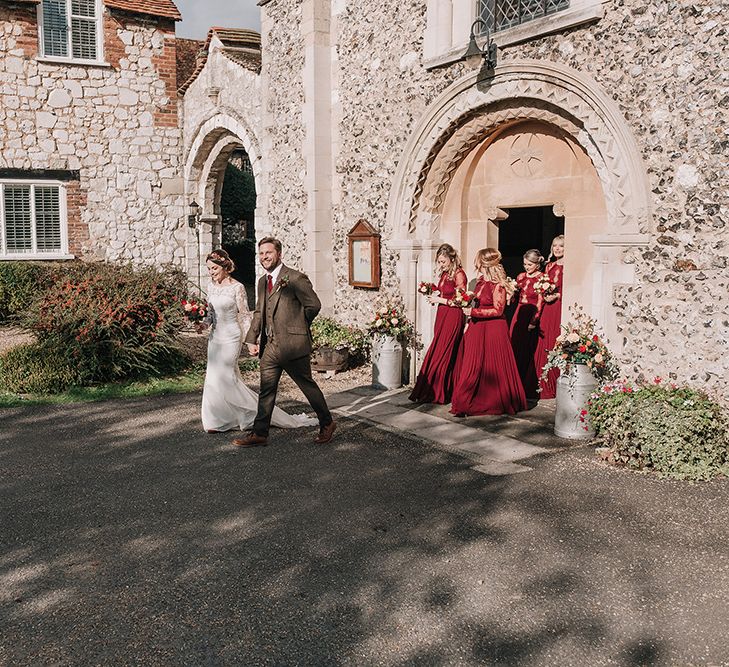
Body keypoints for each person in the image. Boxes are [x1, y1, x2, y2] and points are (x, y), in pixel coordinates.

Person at [232, 237, 336, 448]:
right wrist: (251, 339)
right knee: (267, 390)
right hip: (269, 347)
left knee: (307, 386)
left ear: (279, 254)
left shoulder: (295, 278)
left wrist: (297, 325)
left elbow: (313, 305)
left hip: (293, 346)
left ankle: (327, 423)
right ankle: (260, 433)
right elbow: (260, 312)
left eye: (268, 253)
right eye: (261, 254)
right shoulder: (262, 282)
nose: (264, 257)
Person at [200, 249, 317, 434]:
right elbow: (210, 314)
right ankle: (217, 419)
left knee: (226, 376)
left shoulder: (237, 287)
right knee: (213, 376)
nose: (211, 272)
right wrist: (203, 325)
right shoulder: (211, 286)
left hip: (231, 336)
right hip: (215, 337)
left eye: (214, 268)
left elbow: (246, 316)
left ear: (225, 267)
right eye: (209, 269)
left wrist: (250, 341)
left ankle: (253, 414)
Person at [450, 248, 526, 416]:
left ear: (484, 263)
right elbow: (479, 299)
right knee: (473, 363)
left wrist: (473, 313)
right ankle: (468, 398)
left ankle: (495, 400)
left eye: (477, 260)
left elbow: (498, 310)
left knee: (493, 365)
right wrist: (469, 299)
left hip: (493, 328)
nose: (475, 264)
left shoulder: (498, 285)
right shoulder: (481, 282)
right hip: (478, 327)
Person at [409, 244, 467, 404]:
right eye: (439, 262)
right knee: (439, 348)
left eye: (443, 261)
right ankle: (443, 389)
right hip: (442, 314)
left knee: (443, 351)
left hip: (453, 315)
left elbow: (460, 301)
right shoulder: (445, 274)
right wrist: (430, 290)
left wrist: (439, 299)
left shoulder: (459, 274)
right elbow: (444, 291)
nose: (440, 265)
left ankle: (436, 391)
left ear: (451, 259)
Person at [509, 248, 545, 401]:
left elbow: (540, 301)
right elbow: (516, 296)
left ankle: (525, 382)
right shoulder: (521, 276)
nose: (526, 267)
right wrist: (512, 292)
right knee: (514, 345)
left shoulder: (542, 278)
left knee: (526, 349)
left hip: (531, 313)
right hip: (519, 312)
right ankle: (513, 381)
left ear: (537, 264)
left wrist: (534, 321)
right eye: (525, 264)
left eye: (530, 264)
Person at [537, 235, 565, 398]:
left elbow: (573, 288)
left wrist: (558, 296)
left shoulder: (569, 266)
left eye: (561, 246)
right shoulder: (549, 266)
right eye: (555, 245)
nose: (557, 248)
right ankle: (544, 383)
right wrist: (544, 292)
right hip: (548, 308)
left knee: (556, 340)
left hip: (559, 307)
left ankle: (556, 382)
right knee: (545, 340)